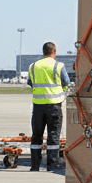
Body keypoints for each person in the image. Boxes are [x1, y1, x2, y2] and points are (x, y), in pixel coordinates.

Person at [27, 42, 70, 171]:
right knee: (53, 135)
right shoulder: (58, 66)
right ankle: (52, 165)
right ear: (54, 51)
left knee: (36, 135)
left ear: (43, 52)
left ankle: (35, 166)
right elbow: (66, 83)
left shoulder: (33, 66)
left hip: (38, 106)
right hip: (54, 105)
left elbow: (30, 82)